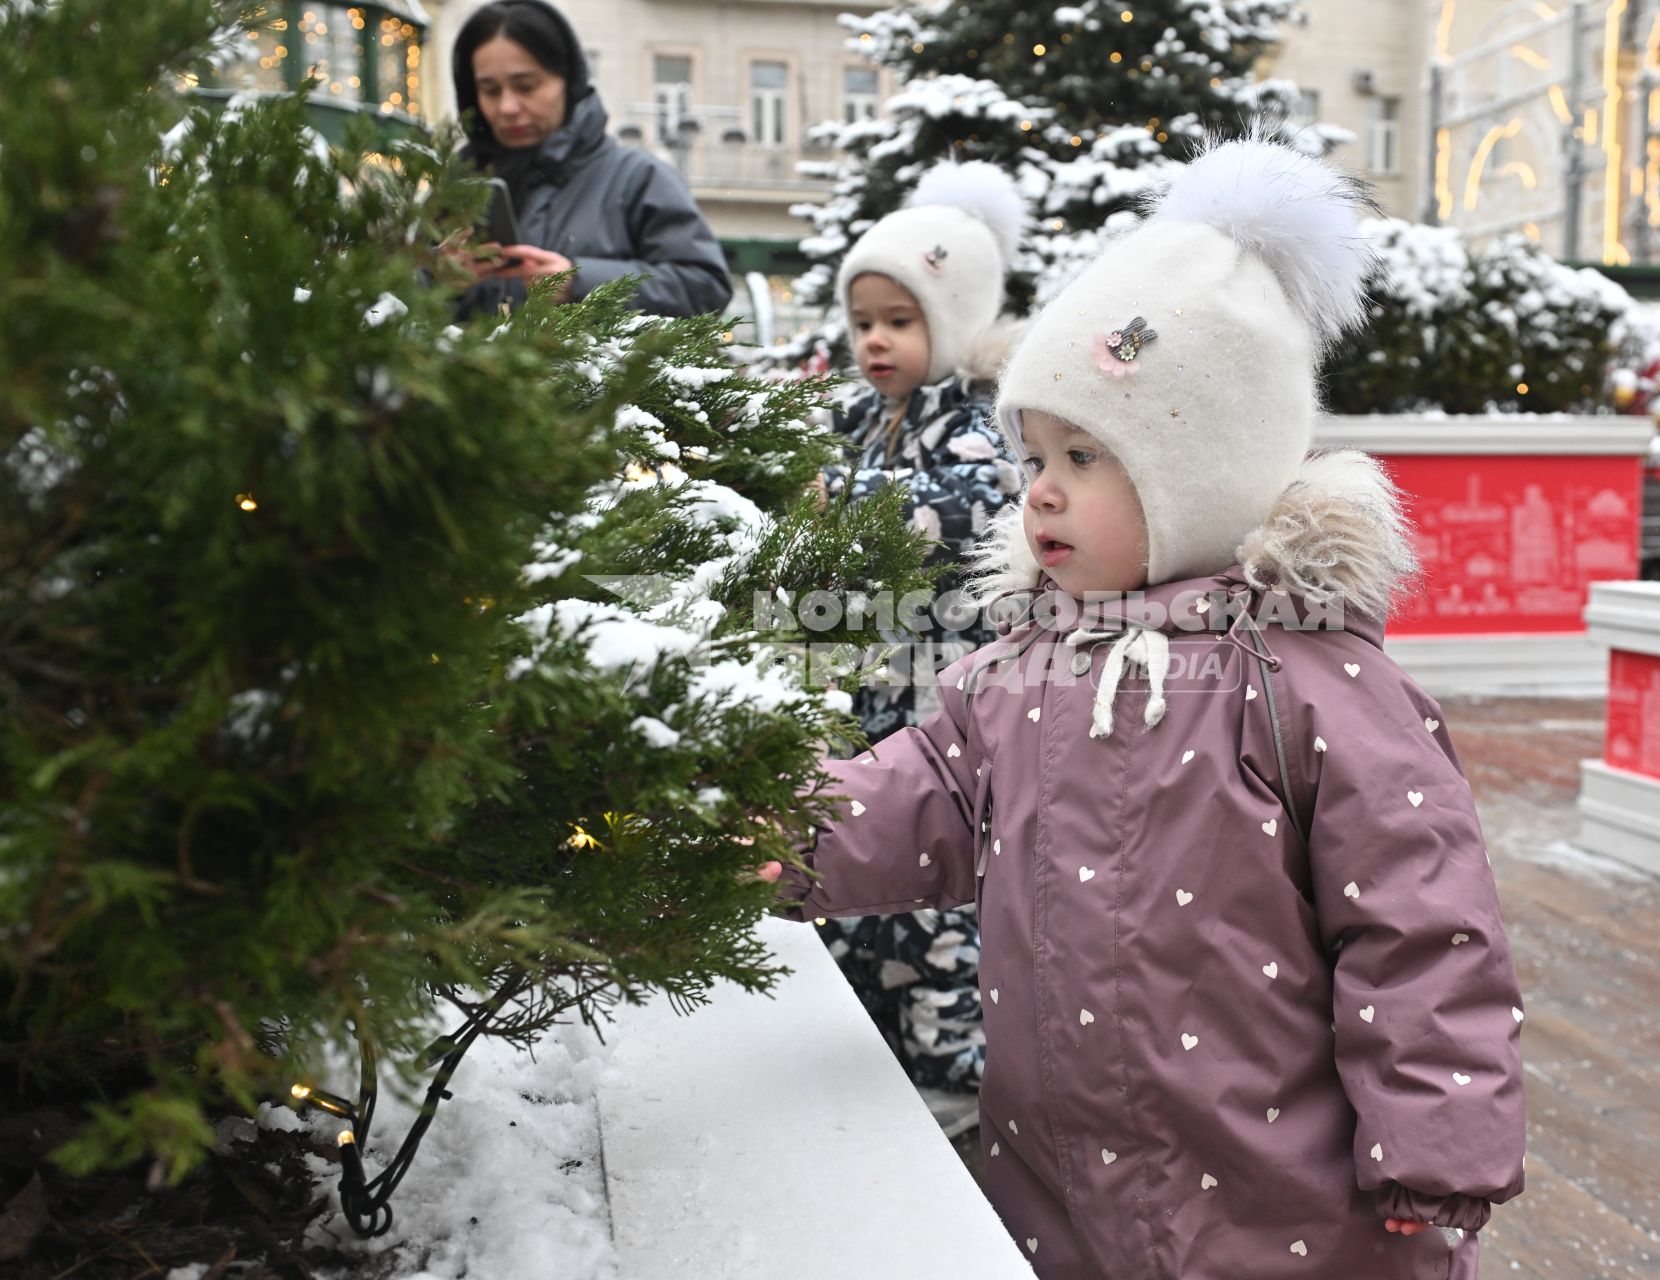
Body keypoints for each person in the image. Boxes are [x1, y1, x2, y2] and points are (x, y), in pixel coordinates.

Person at [772, 137, 1527, 1277]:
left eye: (1085, 452)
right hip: (1059, 1190)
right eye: (1034, 453)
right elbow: (905, 800)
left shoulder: (1315, 684)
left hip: (1287, 1215)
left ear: (1201, 471)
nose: (1040, 489)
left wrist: (1435, 1146)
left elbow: (1422, 931)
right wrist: (755, 825)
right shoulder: (1013, 674)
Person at [816, 161, 1027, 1114]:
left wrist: (840, 505)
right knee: (857, 871)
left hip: (944, 709)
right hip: (864, 699)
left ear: (950, 323)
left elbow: (962, 518)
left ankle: (956, 1077)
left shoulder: (982, 423)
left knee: (941, 897)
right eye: (864, 322)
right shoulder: (856, 419)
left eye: (900, 321)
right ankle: (868, 1060)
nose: (875, 341)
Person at [448, 0, 731, 318]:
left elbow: (706, 289)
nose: (507, 107)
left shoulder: (638, 179)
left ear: (569, 81)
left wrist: (578, 282)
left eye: (526, 86)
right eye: (490, 90)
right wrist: (441, 282)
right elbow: (394, 303)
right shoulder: (456, 187)